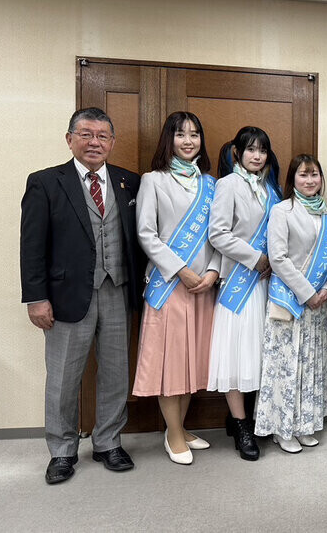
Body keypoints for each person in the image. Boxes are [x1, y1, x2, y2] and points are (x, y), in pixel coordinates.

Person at [20, 107, 143, 484]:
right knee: (62, 377)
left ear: (112, 142)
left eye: (103, 136)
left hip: (118, 291)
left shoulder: (129, 182)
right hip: (65, 297)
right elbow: (31, 246)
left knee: (115, 374)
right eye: (86, 134)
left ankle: (108, 442)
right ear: (70, 138)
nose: (94, 142)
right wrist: (36, 298)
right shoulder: (45, 182)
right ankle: (62, 450)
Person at [132, 111, 220, 465]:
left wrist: (213, 271)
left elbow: (218, 235)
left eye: (195, 134)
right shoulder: (153, 180)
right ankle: (172, 433)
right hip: (169, 286)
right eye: (181, 134)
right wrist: (180, 270)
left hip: (204, 288)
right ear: (169, 139)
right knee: (171, 363)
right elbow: (146, 234)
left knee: (192, 362)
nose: (188, 141)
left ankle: (180, 427)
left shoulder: (212, 184)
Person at [255, 154, 327, 452]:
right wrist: (308, 293)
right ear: (292, 179)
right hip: (289, 301)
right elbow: (277, 257)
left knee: (309, 365)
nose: (310, 180)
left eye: (315, 174)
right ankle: (282, 429)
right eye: (303, 175)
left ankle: (304, 424)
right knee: (285, 366)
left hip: (318, 305)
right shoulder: (282, 210)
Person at [208, 126, 281, 461]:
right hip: (240, 282)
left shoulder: (271, 188)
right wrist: (255, 259)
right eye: (250, 149)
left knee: (261, 353)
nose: (256, 156)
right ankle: (240, 425)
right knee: (237, 354)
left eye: (262, 150)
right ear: (236, 152)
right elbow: (218, 234)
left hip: (268, 283)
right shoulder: (227, 185)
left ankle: (253, 417)